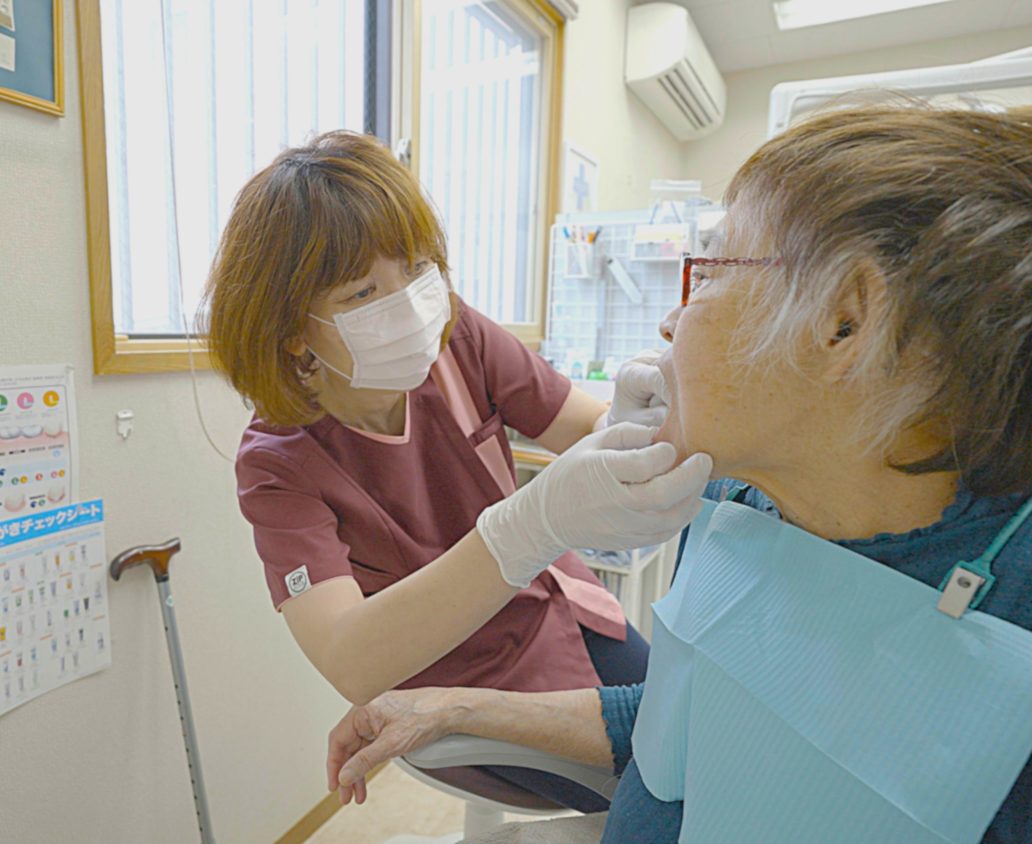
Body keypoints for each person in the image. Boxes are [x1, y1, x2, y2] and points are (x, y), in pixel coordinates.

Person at [324, 105, 1032, 842]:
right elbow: (687, 719)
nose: (669, 316)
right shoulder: (738, 512)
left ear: (846, 320)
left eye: (711, 268)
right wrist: (453, 706)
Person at [204, 131, 709, 810]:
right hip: (461, 676)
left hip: (565, 605)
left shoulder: (457, 337)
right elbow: (350, 658)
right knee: (666, 785)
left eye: (417, 267)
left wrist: (627, 421)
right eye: (362, 292)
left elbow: (581, 423)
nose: (411, 303)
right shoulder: (279, 464)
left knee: (696, 733)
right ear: (292, 329)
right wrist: (526, 525)